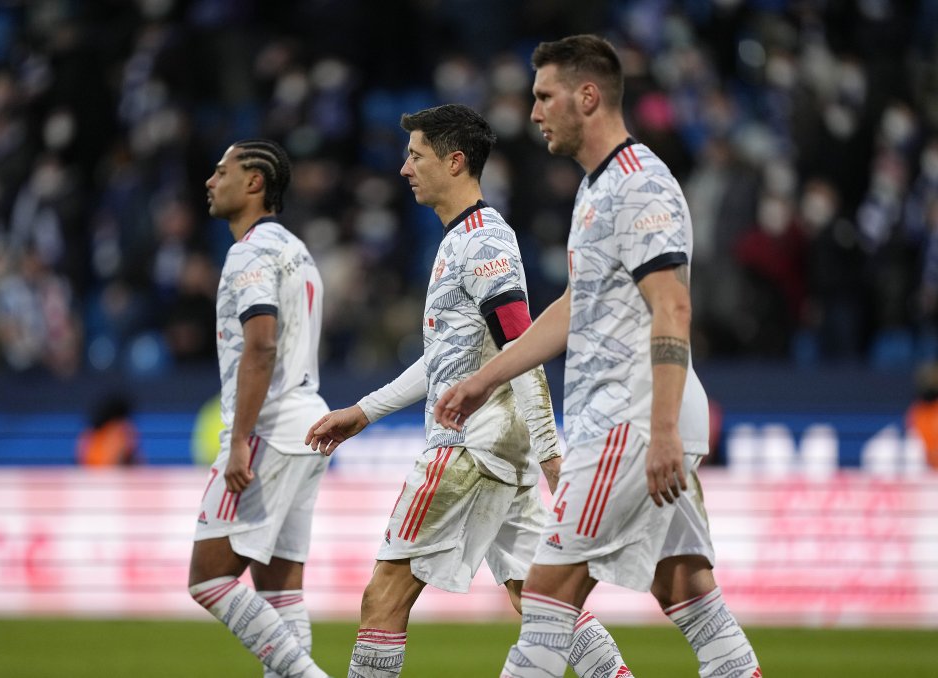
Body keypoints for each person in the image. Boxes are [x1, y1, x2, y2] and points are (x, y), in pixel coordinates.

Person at [435, 36, 762, 678]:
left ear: (587, 97)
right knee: (686, 590)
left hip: (631, 419)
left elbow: (673, 307)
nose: (533, 112)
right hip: (636, 419)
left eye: (544, 96)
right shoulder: (598, 187)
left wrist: (660, 431)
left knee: (546, 596)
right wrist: (484, 380)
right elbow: (574, 306)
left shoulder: (639, 185)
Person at [306, 104, 629, 678]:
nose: (405, 168)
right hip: (501, 449)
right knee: (542, 601)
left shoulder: (483, 242)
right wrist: (365, 411)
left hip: (468, 448)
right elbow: (447, 359)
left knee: (384, 597)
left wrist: (552, 455)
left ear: (454, 162)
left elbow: (522, 349)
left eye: (416, 156)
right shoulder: (465, 238)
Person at [188, 139, 332, 678]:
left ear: (253, 182)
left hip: (270, 429)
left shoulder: (249, 252)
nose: (210, 181)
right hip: (307, 425)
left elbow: (262, 343)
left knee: (209, 578)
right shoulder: (298, 250)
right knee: (280, 591)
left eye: (221, 171)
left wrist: (240, 440)